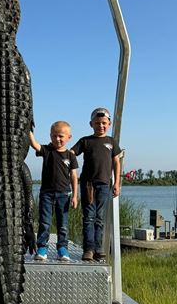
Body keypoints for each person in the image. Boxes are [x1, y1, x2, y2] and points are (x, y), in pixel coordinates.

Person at [71, 108, 121, 262]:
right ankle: (88, 249)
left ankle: (98, 249)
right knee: (89, 217)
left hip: (105, 184)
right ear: (91, 124)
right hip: (88, 185)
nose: (101, 126)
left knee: (100, 218)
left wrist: (117, 183)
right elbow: (71, 153)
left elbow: (116, 162)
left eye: (104, 123)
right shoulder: (85, 141)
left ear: (109, 124)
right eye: (97, 123)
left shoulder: (111, 142)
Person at [29, 121, 78, 262]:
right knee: (45, 222)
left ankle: (62, 248)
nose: (57, 139)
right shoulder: (47, 150)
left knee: (63, 224)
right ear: (50, 136)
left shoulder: (70, 155)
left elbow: (74, 176)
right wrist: (28, 130)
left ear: (69, 137)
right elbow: (35, 145)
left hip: (64, 194)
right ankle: (42, 248)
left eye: (61, 136)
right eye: (54, 136)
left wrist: (75, 196)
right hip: (47, 193)